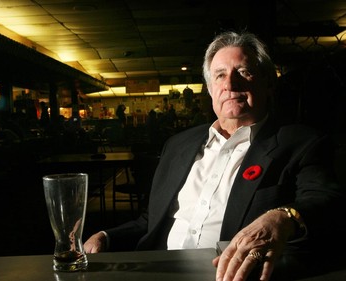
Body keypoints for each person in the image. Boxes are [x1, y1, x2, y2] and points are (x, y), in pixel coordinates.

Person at [84, 31, 346, 280]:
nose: (230, 84)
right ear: (210, 89)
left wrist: (284, 216)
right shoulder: (177, 145)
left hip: (231, 274)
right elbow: (153, 219)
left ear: (268, 83)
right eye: (219, 75)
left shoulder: (300, 142)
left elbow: (327, 201)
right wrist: (107, 236)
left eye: (244, 72)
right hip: (159, 270)